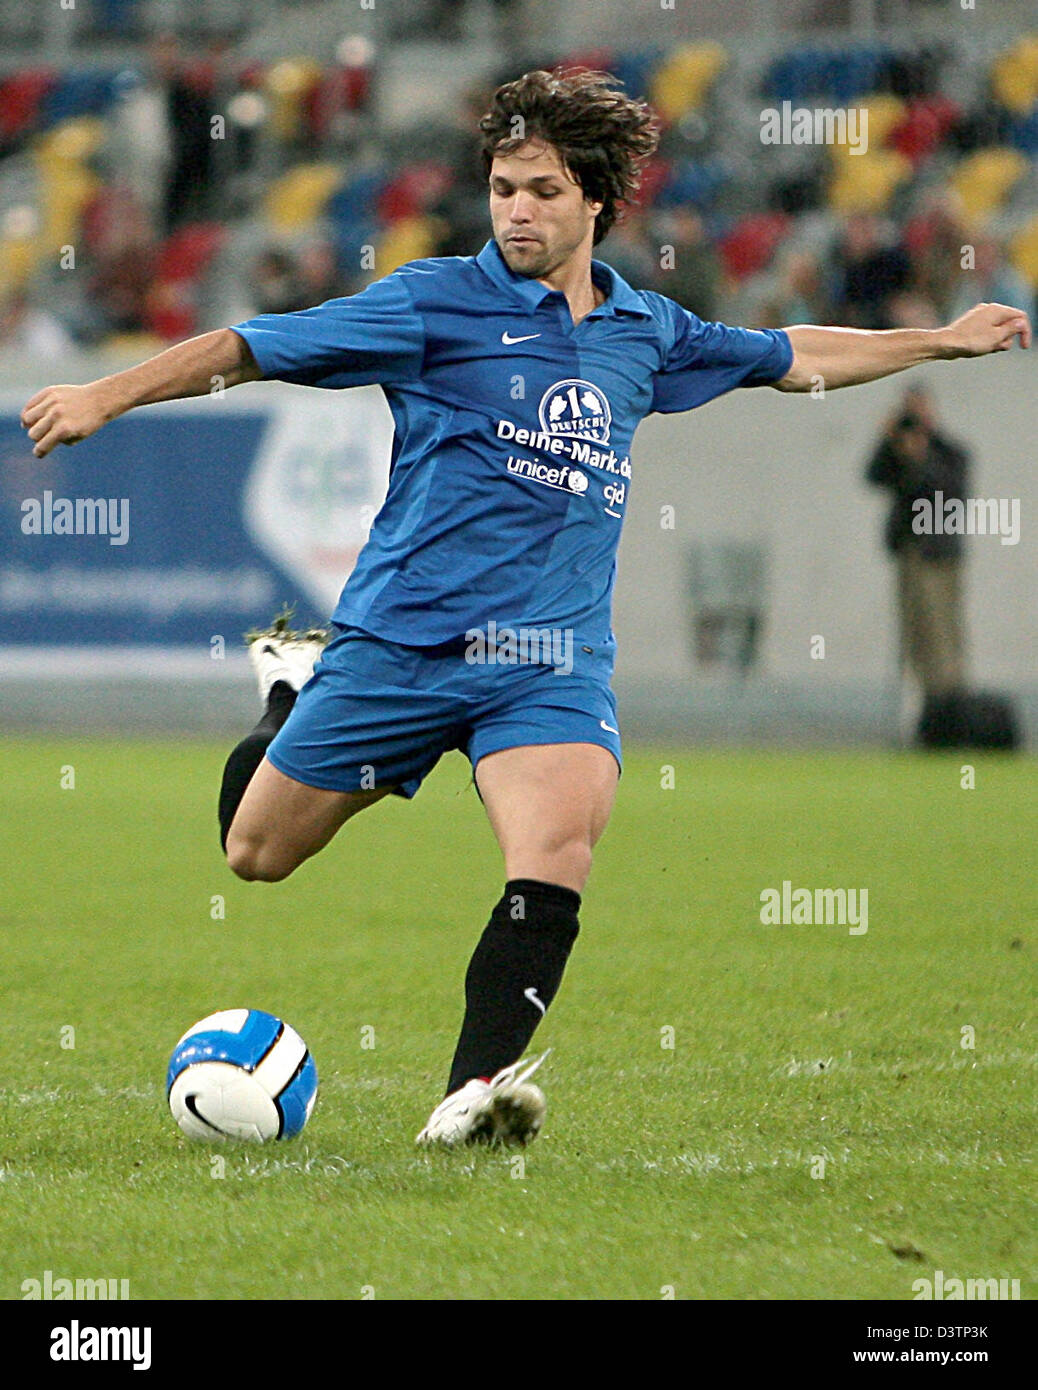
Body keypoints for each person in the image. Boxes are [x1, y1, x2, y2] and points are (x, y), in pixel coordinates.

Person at [20, 69, 1031, 1148]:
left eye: (541, 189)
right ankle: (287, 697)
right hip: (400, 646)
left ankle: (473, 1092)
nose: (514, 209)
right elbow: (249, 346)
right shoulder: (432, 302)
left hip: (547, 660)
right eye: (502, 186)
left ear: (595, 200)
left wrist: (939, 341)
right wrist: (102, 393)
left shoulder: (648, 330)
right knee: (254, 853)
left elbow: (793, 360)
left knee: (555, 853)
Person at [865, 384, 971, 701]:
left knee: (940, 629)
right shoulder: (897, 451)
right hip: (909, 551)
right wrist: (887, 441)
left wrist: (919, 458)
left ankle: (950, 701)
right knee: (915, 630)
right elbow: (873, 476)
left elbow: (944, 495)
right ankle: (925, 699)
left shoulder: (951, 453)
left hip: (938, 554)